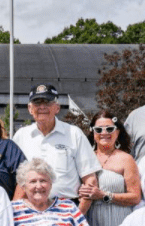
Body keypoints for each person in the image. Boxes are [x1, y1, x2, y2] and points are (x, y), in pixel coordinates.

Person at [12, 84, 100, 212]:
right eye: (37, 103)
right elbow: (15, 181)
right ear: (30, 109)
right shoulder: (21, 135)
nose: (42, 107)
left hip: (66, 209)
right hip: (29, 210)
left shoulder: (74, 133)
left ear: (57, 108)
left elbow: (90, 180)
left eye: (47, 102)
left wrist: (78, 216)